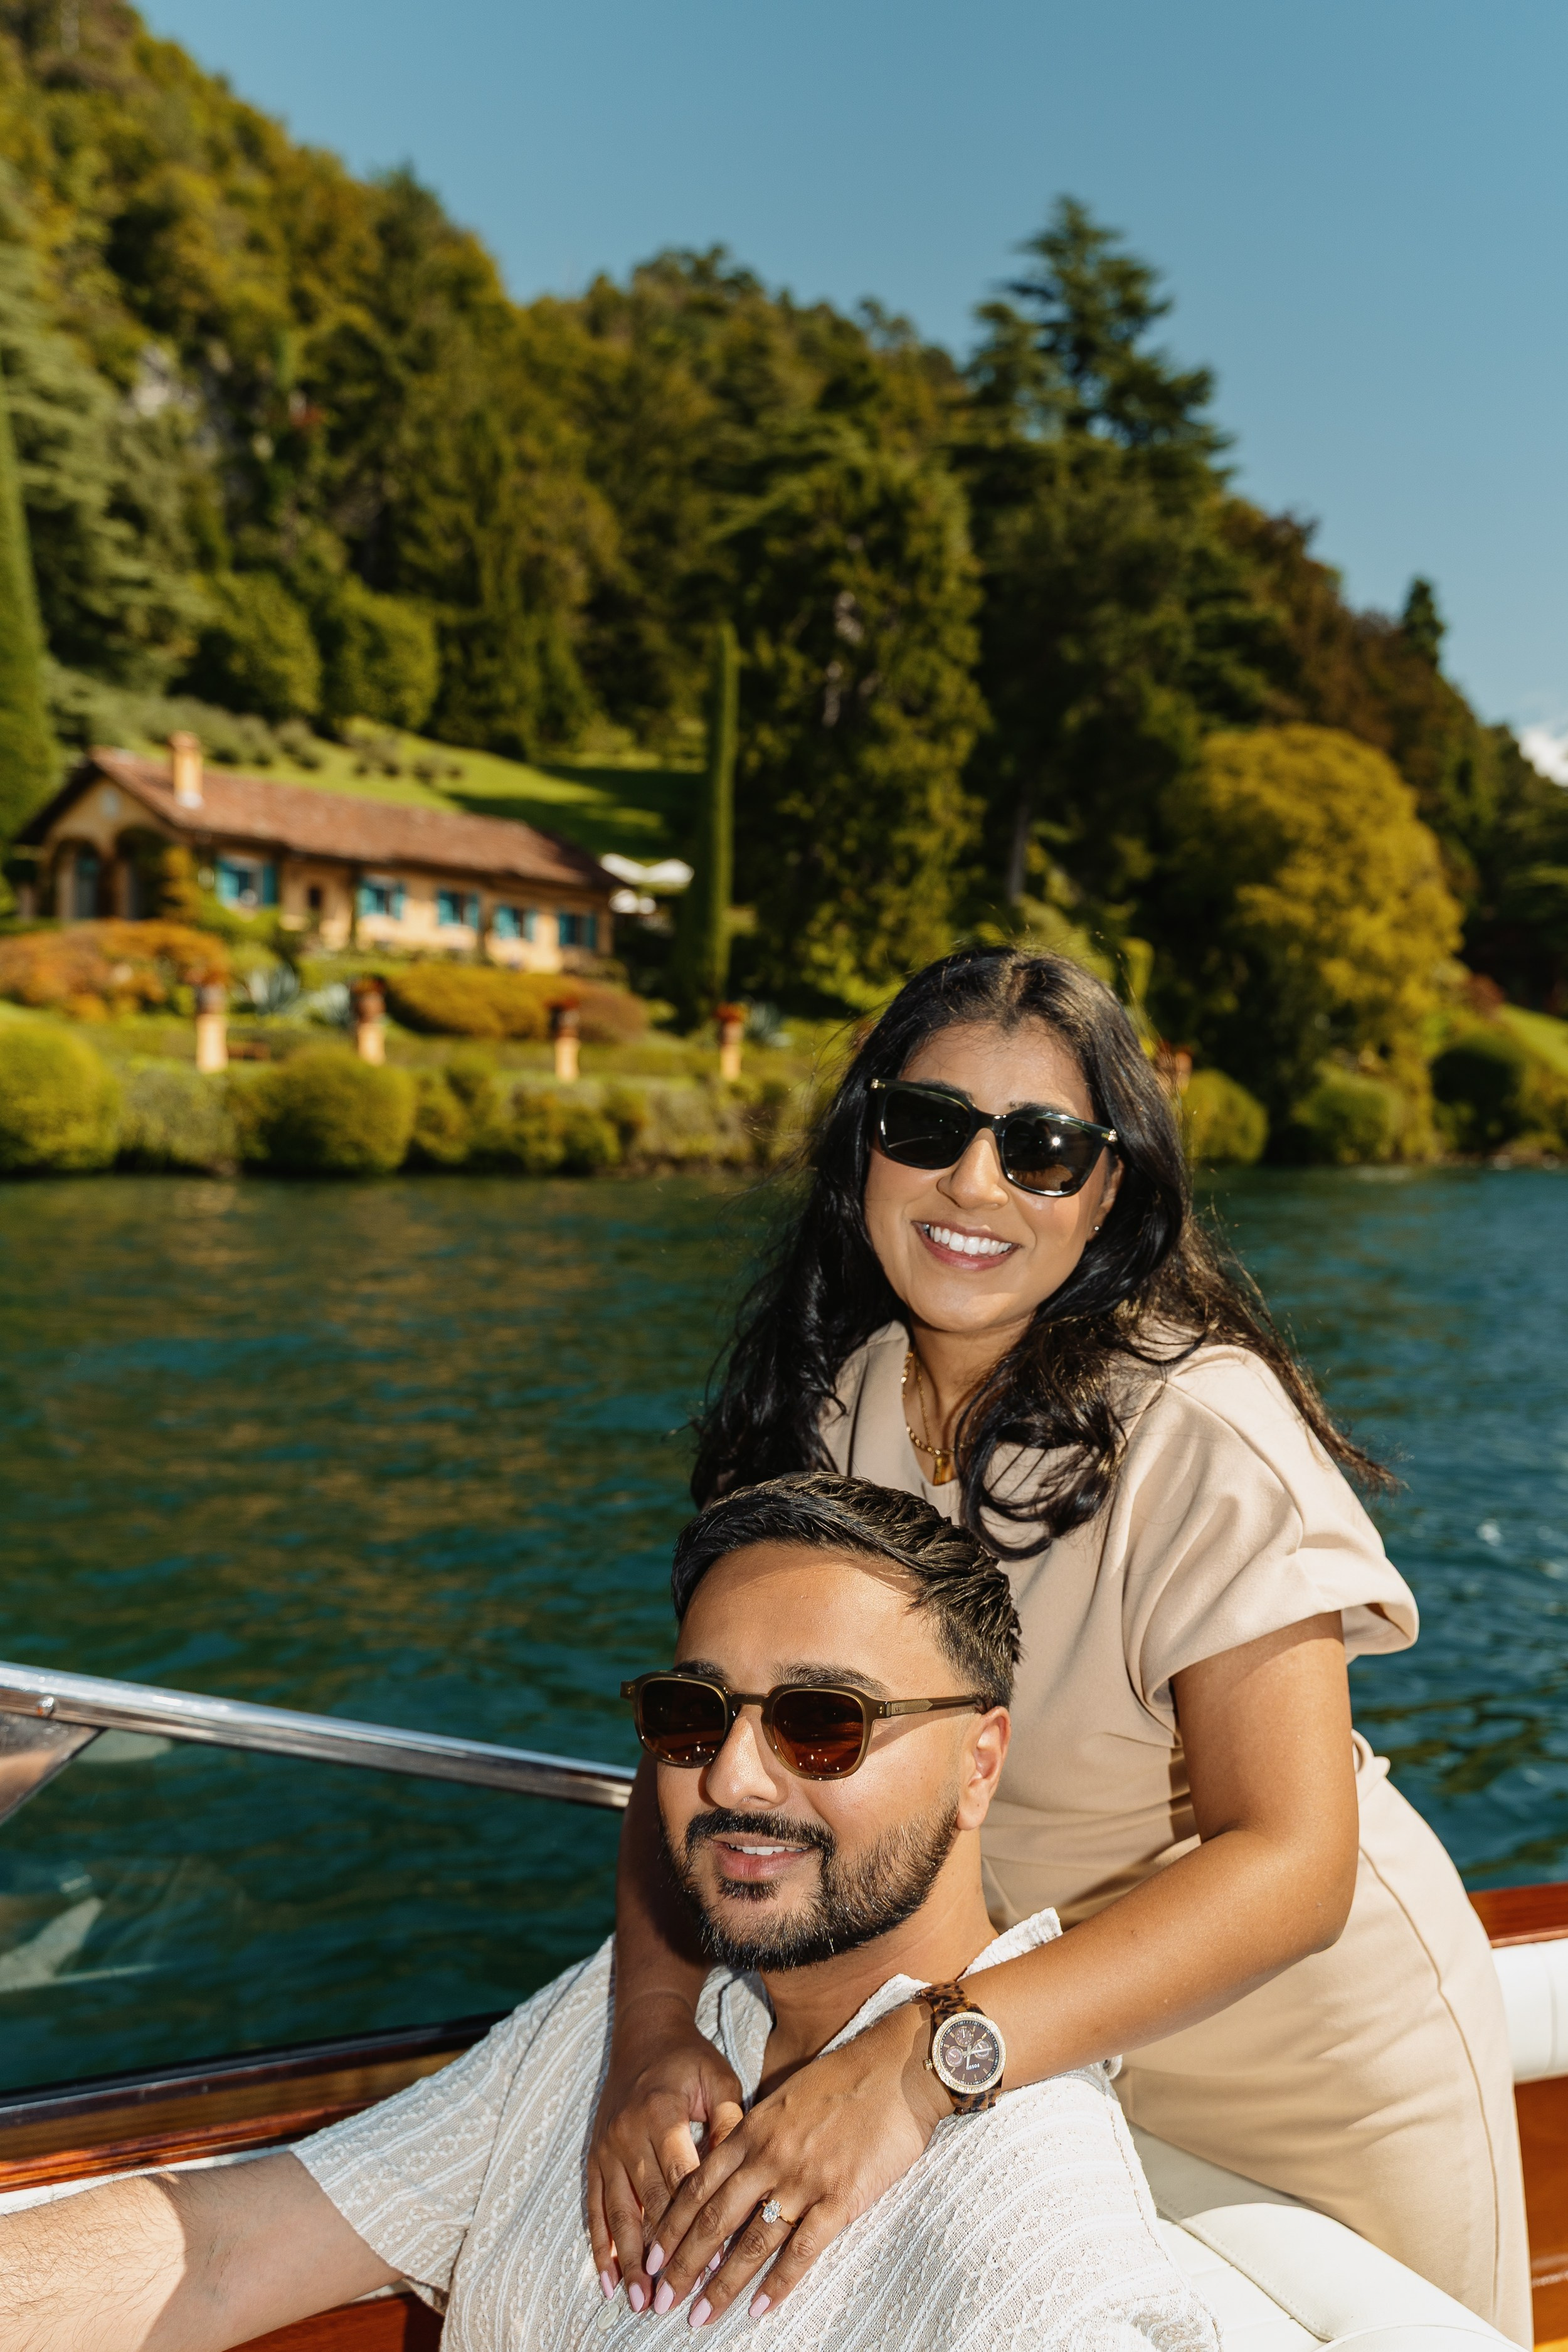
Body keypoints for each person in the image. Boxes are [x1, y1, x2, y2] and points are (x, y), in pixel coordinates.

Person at [590, 946, 1529, 2344]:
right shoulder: (838, 1408)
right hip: (1027, 2061)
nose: (975, 1185)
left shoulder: (1199, 1430)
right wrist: (650, 2034)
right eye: (926, 1128)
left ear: (1106, 1192)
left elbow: (1292, 1864)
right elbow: (705, 1746)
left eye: (1039, 1149)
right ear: (864, 1152)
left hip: (1304, 2075)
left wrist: (916, 2067)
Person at [0, 1475, 1216, 2352]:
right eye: (693, 1716)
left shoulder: (1036, 2258)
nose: (733, 1779)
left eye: (821, 1725)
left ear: (978, 1762)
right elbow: (217, 2256)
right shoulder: (629, 2024)